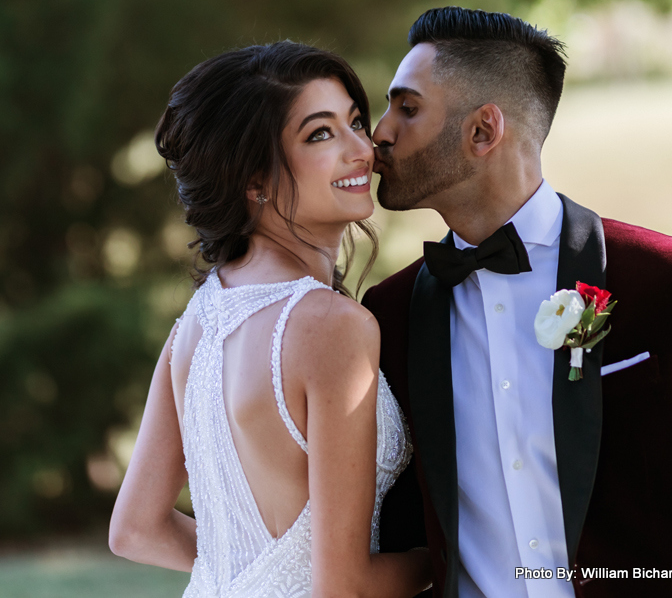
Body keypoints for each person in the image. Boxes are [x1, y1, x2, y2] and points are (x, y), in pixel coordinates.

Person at [362, 7, 672, 598]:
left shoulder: (671, 283)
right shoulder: (389, 314)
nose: (380, 132)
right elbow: (394, 537)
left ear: (482, 131)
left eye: (407, 107)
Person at [108, 41, 432, 598]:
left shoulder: (201, 316)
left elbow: (136, 529)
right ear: (253, 182)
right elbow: (345, 588)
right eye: (320, 134)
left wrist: (255, 576)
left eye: (355, 122)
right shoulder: (332, 325)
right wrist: (452, 556)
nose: (364, 148)